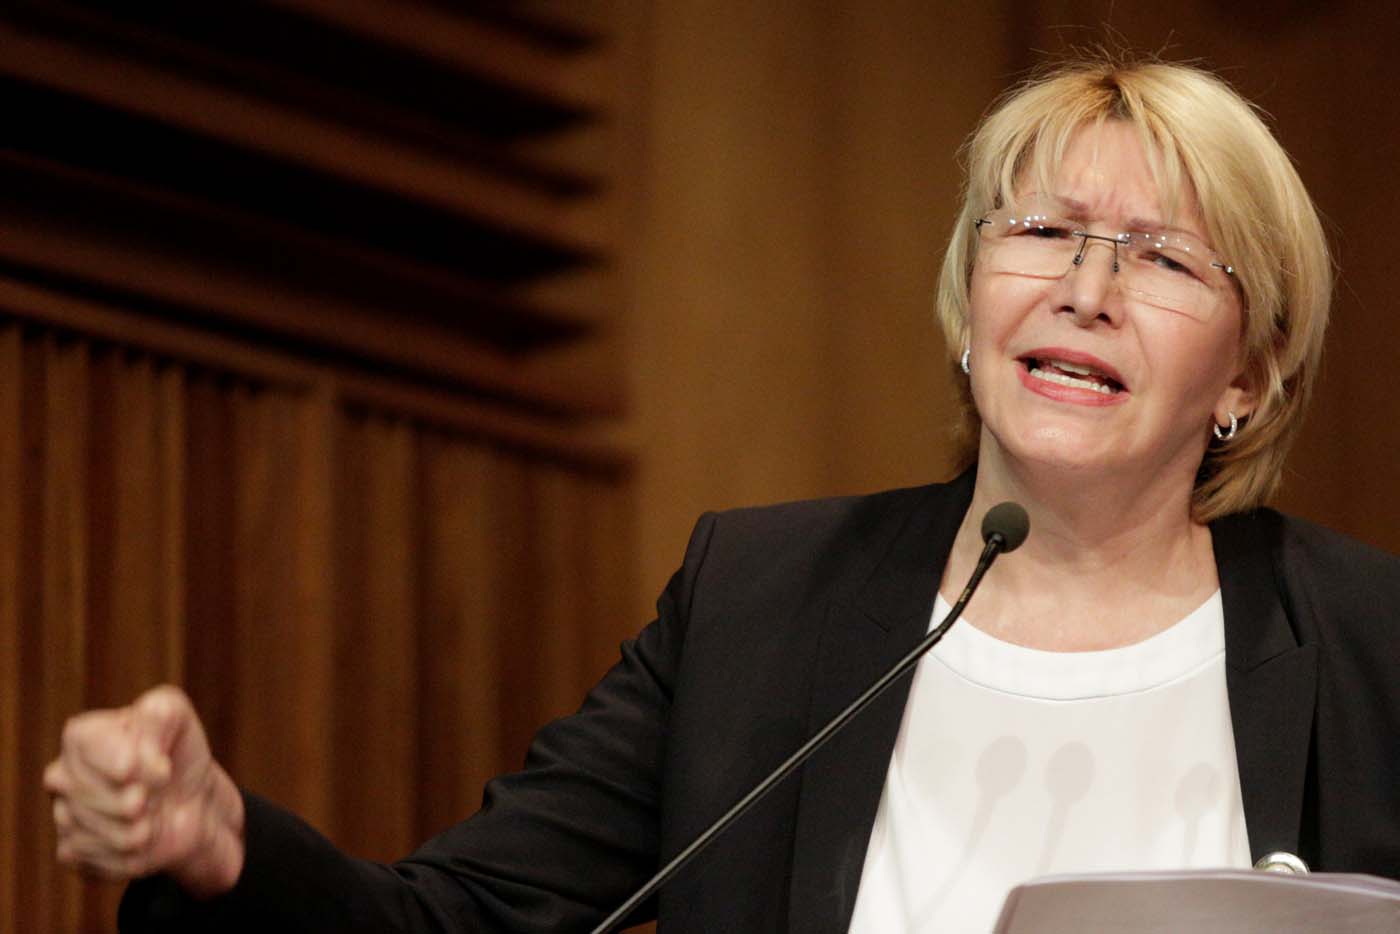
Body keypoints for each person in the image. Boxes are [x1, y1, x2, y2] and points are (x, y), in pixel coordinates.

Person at [44, 54, 1400, 932]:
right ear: (967, 304)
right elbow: (449, 921)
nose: (1084, 289)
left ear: (1252, 374)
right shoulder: (759, 602)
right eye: (1042, 230)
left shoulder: (1369, 645)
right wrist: (219, 844)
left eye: (1162, 258)